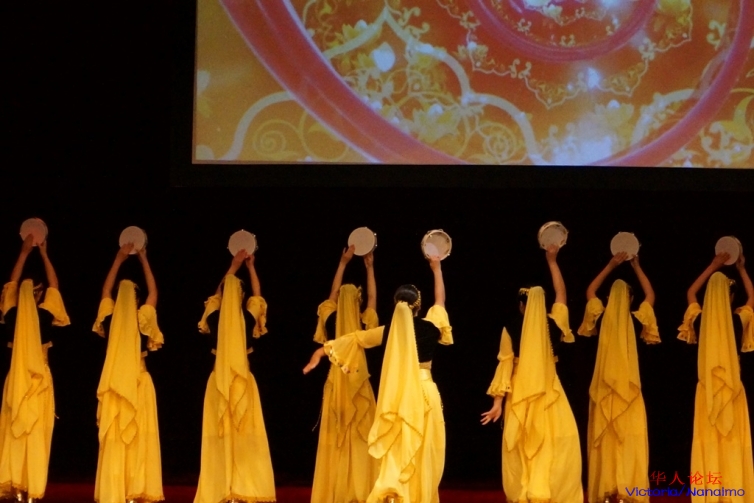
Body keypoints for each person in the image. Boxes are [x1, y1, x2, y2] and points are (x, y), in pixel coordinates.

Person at [481, 245, 582, 503]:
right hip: (549, 391)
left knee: (523, 443)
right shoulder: (555, 322)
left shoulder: (510, 327)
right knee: (553, 442)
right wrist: (552, 261)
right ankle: (548, 491)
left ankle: (527, 492)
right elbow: (561, 294)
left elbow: (505, 364)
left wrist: (497, 403)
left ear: (521, 305)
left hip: (520, 393)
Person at [367, 255, 451, 503]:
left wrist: (325, 349)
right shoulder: (431, 327)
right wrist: (437, 269)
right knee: (424, 450)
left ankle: (398, 495)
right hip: (425, 394)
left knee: (399, 449)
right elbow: (440, 301)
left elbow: (356, 339)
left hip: (399, 396)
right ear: (418, 306)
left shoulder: (388, 332)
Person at [577, 253, 660, 503]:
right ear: (631, 299)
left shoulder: (601, 315)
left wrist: (611, 265)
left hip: (605, 394)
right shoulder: (637, 318)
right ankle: (625, 493)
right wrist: (636, 266)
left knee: (606, 442)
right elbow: (651, 296)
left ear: (608, 299)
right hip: (629, 395)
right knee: (628, 442)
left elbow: (590, 291)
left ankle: (607, 492)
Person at [194, 250, 275, 503]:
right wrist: (250, 267)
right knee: (245, 438)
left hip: (218, 382)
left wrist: (233, 266)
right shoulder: (248, 318)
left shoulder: (214, 316)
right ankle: (243, 488)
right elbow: (258, 296)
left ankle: (222, 489)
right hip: (242, 383)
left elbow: (215, 296)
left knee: (219, 438)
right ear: (241, 296)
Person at [302, 245, 380, 503]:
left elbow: (332, 294)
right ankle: (360, 488)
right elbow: (372, 297)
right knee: (360, 437)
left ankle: (337, 491)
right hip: (358, 383)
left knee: (336, 436)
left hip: (337, 382)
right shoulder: (363, 325)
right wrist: (369, 268)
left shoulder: (330, 318)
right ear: (357, 301)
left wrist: (343, 262)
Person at [678, 251, 754, 503]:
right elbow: (752, 297)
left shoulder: (699, 319)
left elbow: (691, 292)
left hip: (707, 393)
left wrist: (713, 265)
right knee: (732, 442)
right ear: (730, 297)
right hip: (732, 391)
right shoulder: (738, 319)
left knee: (709, 442)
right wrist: (741, 269)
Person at [0, 235, 70, 503]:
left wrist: (23, 253)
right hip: (39, 381)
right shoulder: (43, 314)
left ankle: (18, 488)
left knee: (16, 431)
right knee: (36, 434)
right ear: (39, 295)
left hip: (18, 382)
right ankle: (29, 489)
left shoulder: (12, 313)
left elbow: (10, 285)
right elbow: (55, 286)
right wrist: (43, 253)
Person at [93, 243, 164, 503]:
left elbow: (105, 290)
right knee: (137, 441)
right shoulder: (142, 318)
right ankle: (133, 492)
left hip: (117, 388)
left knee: (118, 441)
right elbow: (154, 292)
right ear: (136, 300)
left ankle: (117, 493)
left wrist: (119, 259)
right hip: (136, 385)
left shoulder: (112, 318)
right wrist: (143, 258)